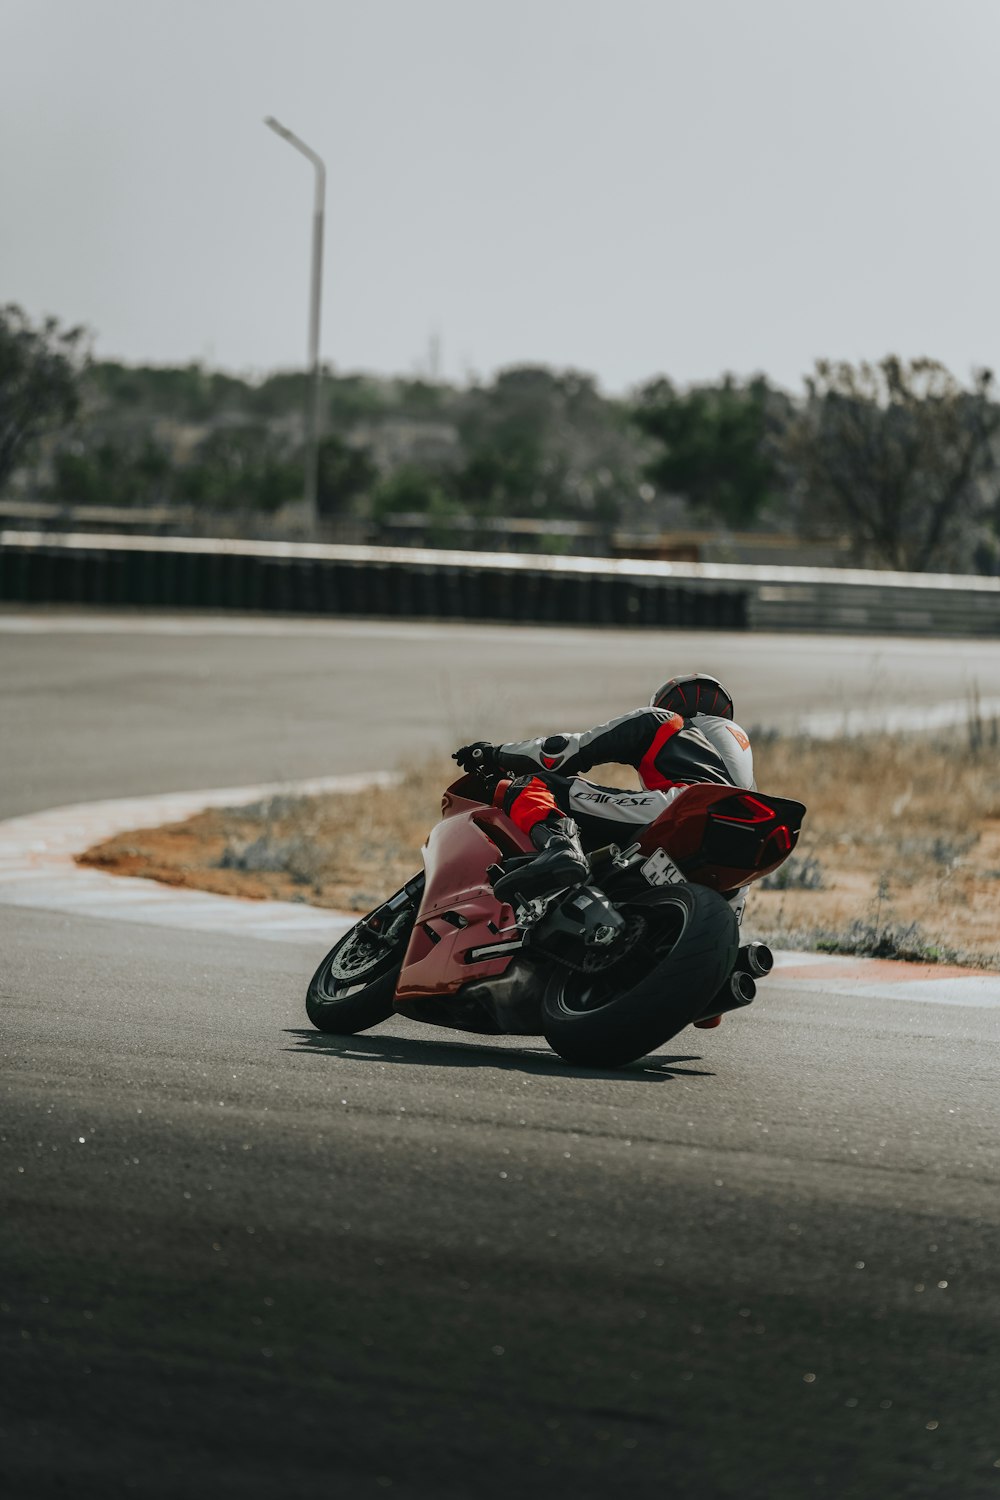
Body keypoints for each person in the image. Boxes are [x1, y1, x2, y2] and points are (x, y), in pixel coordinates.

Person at [453, 671, 755, 915]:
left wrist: (494, 754)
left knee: (538, 784)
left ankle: (561, 848)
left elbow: (561, 753)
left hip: (682, 806)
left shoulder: (664, 721)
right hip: (738, 850)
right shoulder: (743, 768)